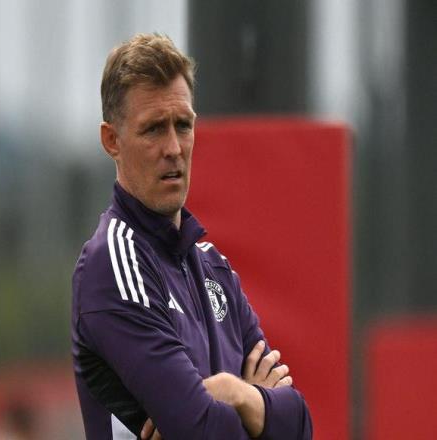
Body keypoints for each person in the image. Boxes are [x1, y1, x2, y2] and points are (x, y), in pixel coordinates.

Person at [72, 33, 312, 440]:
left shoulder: (213, 267)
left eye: (183, 125)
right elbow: (200, 430)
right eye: (153, 129)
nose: (173, 147)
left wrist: (234, 393)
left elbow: (301, 424)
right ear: (112, 140)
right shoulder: (112, 264)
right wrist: (257, 406)